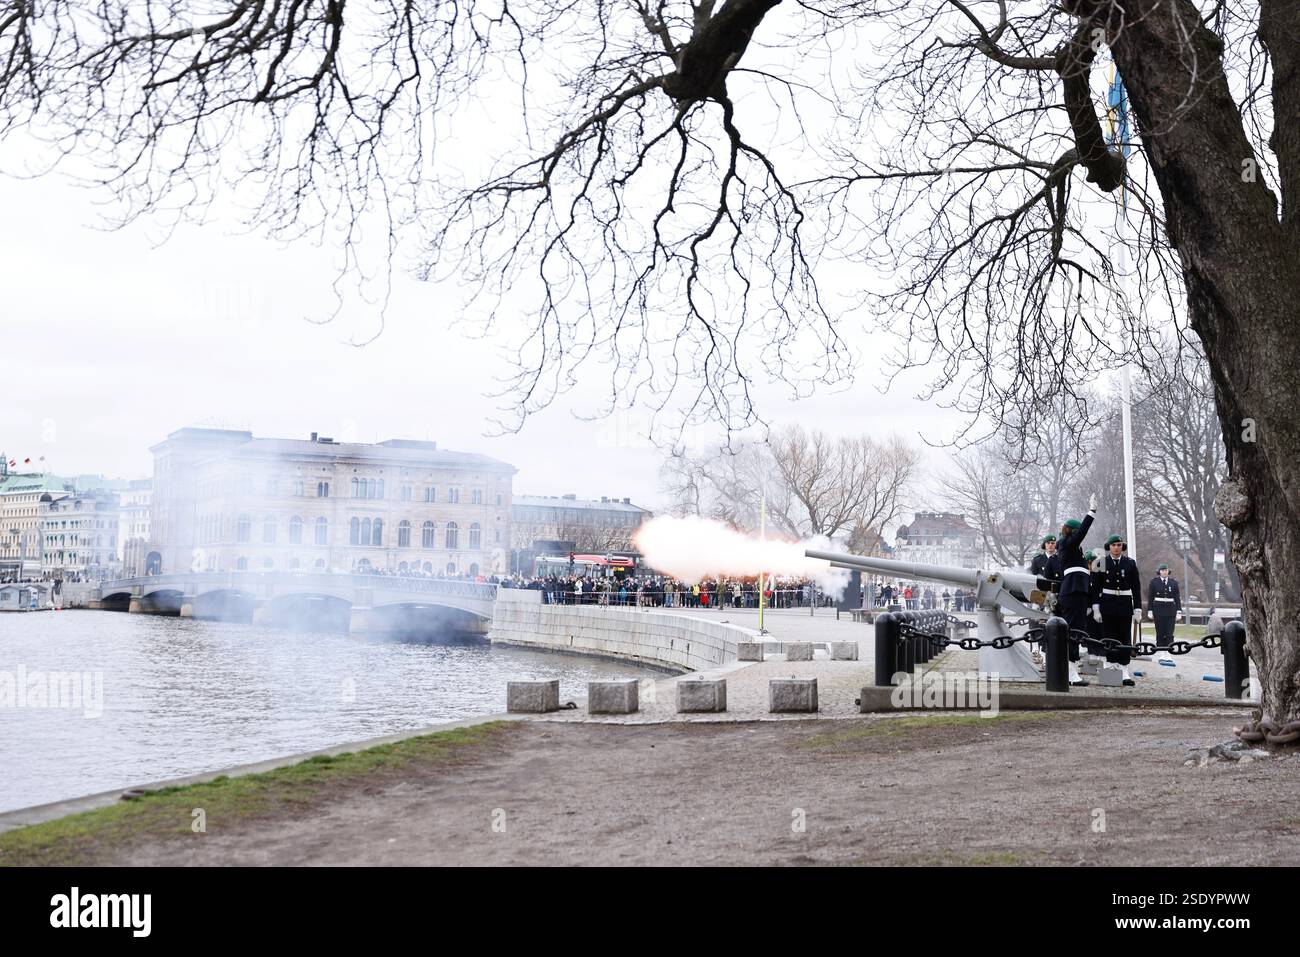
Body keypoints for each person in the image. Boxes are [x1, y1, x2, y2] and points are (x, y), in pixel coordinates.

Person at [1055, 494, 1099, 686]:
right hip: (1072, 592)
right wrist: (1091, 513)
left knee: (1076, 631)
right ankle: (1070, 674)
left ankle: (1071, 671)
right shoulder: (1066, 544)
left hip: (1077, 592)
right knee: (1072, 632)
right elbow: (1082, 533)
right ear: (1071, 532)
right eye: (1076, 532)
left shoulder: (1073, 549)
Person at [1093, 534, 1142, 685]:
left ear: (1122, 546)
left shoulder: (1130, 563)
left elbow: (1136, 587)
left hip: (1124, 604)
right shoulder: (1101, 563)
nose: (1116, 548)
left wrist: (1138, 608)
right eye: (1114, 545)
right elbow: (1095, 587)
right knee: (1109, 636)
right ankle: (1110, 667)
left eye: (1119, 545)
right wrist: (1096, 607)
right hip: (1107, 604)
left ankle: (1124, 671)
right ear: (1109, 547)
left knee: (1124, 637)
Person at [1147, 562, 1182, 658]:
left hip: (1171, 610)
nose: (1164, 572)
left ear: (1168, 571)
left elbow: (1177, 598)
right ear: (1159, 572)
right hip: (1158, 609)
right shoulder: (1154, 582)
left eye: (1166, 570)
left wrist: (1179, 611)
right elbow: (1150, 597)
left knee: (1170, 632)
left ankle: (1169, 652)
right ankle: (1161, 652)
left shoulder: (1173, 583)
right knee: (1160, 631)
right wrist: (1150, 610)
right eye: (1162, 570)